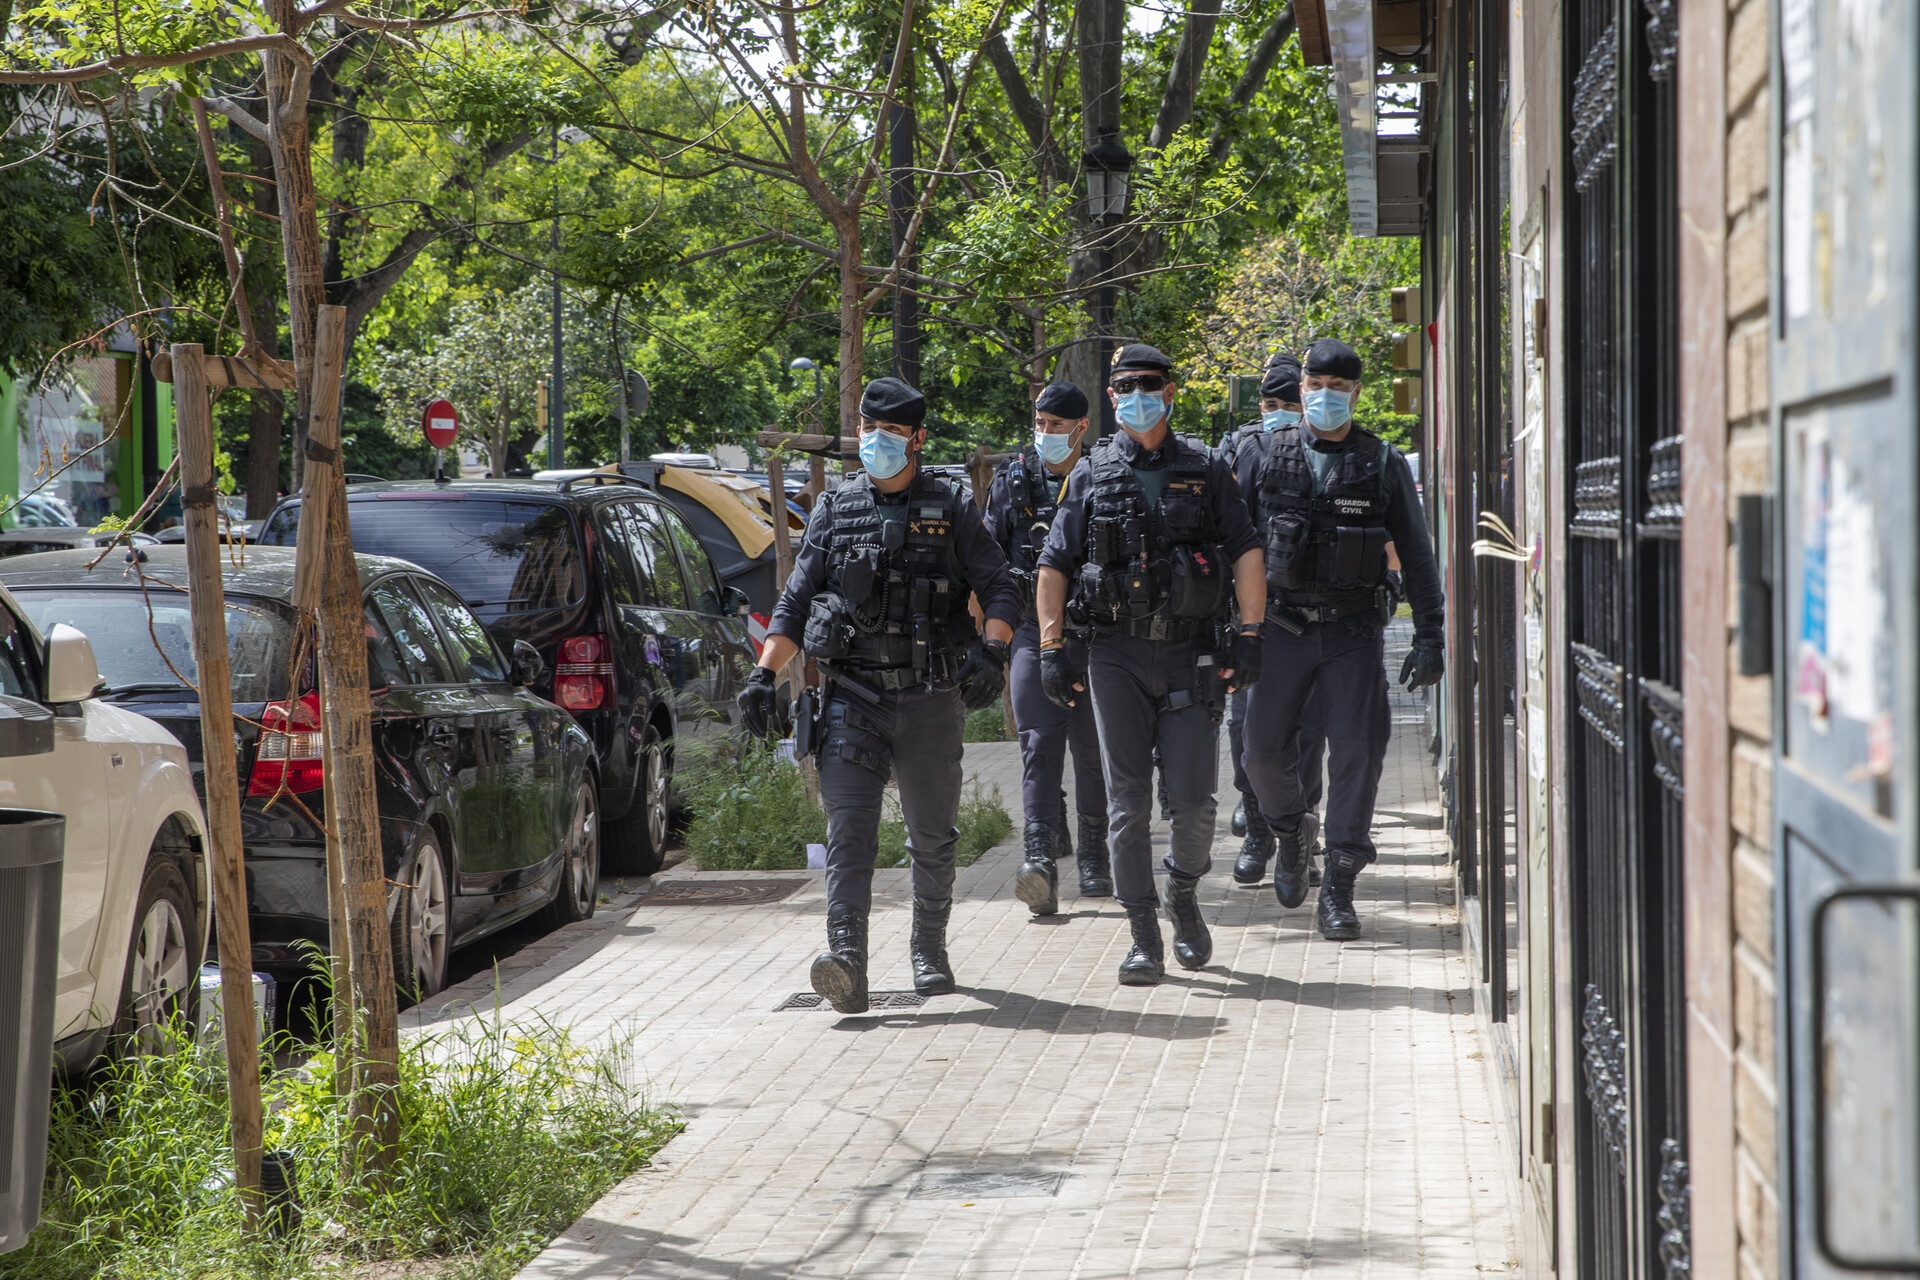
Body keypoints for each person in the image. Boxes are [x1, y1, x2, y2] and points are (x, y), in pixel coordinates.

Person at [740, 376, 1022, 1013]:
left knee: (932, 835)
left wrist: (994, 651)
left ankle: (928, 947)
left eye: (891, 432)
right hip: (850, 699)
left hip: (928, 698)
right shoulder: (835, 510)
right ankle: (847, 961)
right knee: (850, 834)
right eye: (868, 429)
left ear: (918, 438)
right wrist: (763, 675)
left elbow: (1002, 588)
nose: (876, 441)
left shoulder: (951, 508)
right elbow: (794, 602)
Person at [1034, 343, 1265, 985]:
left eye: (1149, 384)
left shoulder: (1207, 467)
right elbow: (1052, 565)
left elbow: (1246, 549)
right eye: (1125, 386)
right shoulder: (1091, 472)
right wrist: (1053, 648)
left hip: (1192, 653)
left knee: (1193, 805)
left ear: (1169, 391)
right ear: (1111, 397)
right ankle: (1143, 935)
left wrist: (1251, 633)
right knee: (1129, 804)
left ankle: (1183, 896)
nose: (1137, 394)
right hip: (1115, 656)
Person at [1234, 338, 1444, 941]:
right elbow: (1236, 550)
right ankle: (1291, 830)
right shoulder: (1261, 454)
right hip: (1279, 629)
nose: (1324, 395)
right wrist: (1231, 633)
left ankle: (1341, 885)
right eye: (1315, 384)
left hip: (1353, 629)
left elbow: (1418, 554)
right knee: (1261, 754)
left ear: (1355, 392)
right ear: (1300, 388)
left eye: (1338, 387)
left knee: (1360, 752)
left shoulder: (1381, 461)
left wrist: (1430, 633)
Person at [982, 381, 1112, 911]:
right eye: (1039, 423)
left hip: (1096, 631)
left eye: (1055, 425)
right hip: (1033, 628)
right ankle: (1038, 857)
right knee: (1038, 738)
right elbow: (987, 560)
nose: (1044, 433)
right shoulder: (1012, 480)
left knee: (1091, 748)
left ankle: (1094, 855)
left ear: (1081, 428)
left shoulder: (1102, 478)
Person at [1215, 354, 1323, 890]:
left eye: (1288, 404)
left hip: (1312, 612)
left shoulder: (1324, 449)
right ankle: (1260, 825)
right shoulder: (1246, 450)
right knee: (1245, 729)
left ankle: (1305, 836)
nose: (1278, 414)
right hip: (1255, 614)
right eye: (1269, 405)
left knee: (1307, 733)